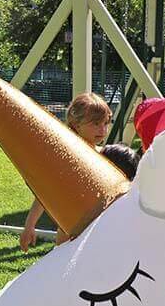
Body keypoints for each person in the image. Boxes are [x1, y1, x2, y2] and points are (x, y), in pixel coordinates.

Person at [19, 93, 116, 252]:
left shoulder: (104, 155)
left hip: (99, 229)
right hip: (71, 229)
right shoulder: (67, 156)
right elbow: (46, 192)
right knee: (64, 267)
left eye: (106, 123)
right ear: (76, 124)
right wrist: (29, 226)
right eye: (96, 123)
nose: (103, 129)